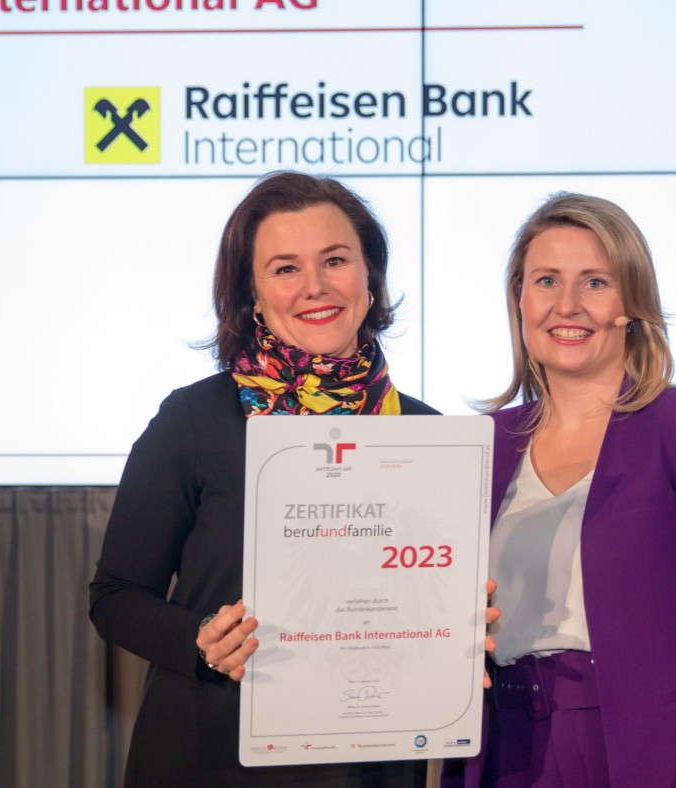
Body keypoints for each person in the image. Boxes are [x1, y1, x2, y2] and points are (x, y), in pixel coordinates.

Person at [89, 172, 441, 785]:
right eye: (285, 268)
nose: (315, 287)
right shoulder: (194, 420)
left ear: (370, 275)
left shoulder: (424, 431)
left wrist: (459, 621)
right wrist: (200, 638)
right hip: (214, 756)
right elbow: (115, 597)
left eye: (335, 260)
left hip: (368, 765)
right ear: (251, 291)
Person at [444, 194, 676, 786]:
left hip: (654, 756)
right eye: (546, 280)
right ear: (519, 299)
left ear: (631, 303)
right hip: (505, 752)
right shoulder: (477, 443)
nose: (567, 305)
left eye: (595, 282)